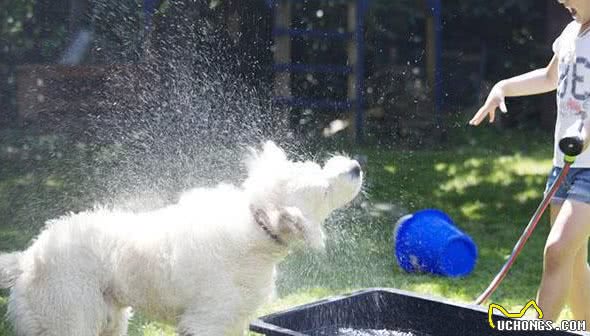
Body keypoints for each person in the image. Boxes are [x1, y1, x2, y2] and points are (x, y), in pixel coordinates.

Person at [470, 0, 590, 327]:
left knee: (556, 251)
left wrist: (585, 132)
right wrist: (502, 88)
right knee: (573, 260)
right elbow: (551, 76)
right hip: (563, 166)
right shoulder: (569, 33)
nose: (561, 1)